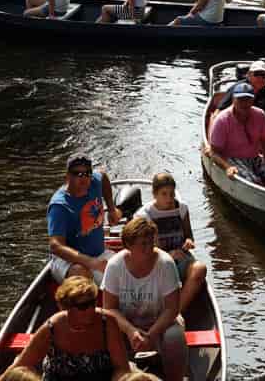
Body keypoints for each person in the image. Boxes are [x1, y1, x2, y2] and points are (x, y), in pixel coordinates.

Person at [102, 218, 186, 381]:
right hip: (126, 324)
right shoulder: (115, 266)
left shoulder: (165, 264)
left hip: (160, 322)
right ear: (129, 246)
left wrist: (151, 335)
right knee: (104, 334)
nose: (149, 248)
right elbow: (109, 308)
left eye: (151, 242)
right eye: (143, 244)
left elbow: (172, 309)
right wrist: (130, 330)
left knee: (174, 336)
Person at [0, 276, 130, 381]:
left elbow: (122, 369)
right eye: (83, 306)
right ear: (65, 308)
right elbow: (21, 365)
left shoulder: (107, 323)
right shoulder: (52, 327)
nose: (90, 310)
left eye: (93, 303)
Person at [134, 173, 207, 314]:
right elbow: (146, 249)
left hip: (181, 258)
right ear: (154, 194)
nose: (169, 198)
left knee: (200, 269)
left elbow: (189, 235)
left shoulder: (182, 209)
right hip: (155, 260)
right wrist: (169, 255)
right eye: (164, 194)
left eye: (172, 194)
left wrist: (188, 242)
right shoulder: (144, 215)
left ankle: (176, 313)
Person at [48, 154, 123, 284]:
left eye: (87, 173)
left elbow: (103, 176)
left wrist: (111, 209)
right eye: (77, 174)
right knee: (81, 273)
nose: (83, 178)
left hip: (99, 253)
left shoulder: (94, 182)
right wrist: (91, 262)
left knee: (128, 275)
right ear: (67, 176)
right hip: (69, 261)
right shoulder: (59, 206)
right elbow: (56, 246)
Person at [206, 81, 265, 186]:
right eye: (240, 100)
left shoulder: (260, 115)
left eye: (248, 100)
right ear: (233, 100)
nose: (244, 103)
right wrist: (227, 167)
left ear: (253, 100)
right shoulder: (222, 120)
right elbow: (213, 152)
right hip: (231, 158)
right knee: (254, 182)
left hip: (253, 157)